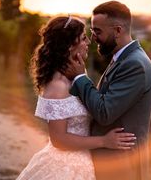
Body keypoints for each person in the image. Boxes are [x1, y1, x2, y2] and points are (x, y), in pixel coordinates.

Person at [17, 15, 136, 180]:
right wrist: (104, 141)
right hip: (64, 167)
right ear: (69, 46)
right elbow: (59, 139)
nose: (88, 43)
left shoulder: (78, 75)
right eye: (83, 38)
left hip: (85, 159)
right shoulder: (58, 86)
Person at [66, 1, 151, 180]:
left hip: (121, 166)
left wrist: (80, 77)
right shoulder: (124, 58)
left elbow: (105, 112)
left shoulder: (134, 64)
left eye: (97, 31)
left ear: (118, 30)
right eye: (92, 31)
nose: (93, 38)